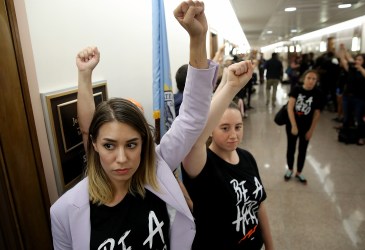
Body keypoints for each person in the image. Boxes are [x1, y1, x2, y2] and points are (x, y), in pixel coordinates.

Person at [50, 1, 219, 249]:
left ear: (144, 142)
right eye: (109, 145)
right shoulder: (64, 211)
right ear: (94, 144)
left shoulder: (157, 165)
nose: (122, 158)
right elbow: (88, 127)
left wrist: (197, 37)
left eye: (131, 144)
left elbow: (192, 115)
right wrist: (84, 75)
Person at [181, 59, 274, 249]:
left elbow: (259, 205)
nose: (234, 135)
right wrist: (229, 86)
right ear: (211, 130)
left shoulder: (247, 157)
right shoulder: (201, 164)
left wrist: (271, 246)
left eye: (238, 127)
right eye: (224, 128)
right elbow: (196, 140)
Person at [284, 70, 322, 183]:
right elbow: (290, 108)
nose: (311, 81)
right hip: (292, 125)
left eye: (313, 79)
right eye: (309, 78)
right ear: (304, 79)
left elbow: (317, 113)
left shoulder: (318, 93)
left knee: (303, 150)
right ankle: (290, 169)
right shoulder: (297, 89)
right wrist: (294, 126)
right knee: (291, 148)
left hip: (306, 127)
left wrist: (311, 131)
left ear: (316, 81)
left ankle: (299, 172)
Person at [338, 44, 365, 145]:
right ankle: (345, 135)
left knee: (358, 117)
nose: (357, 61)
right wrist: (343, 50)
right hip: (347, 97)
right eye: (356, 59)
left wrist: (360, 68)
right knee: (346, 117)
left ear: (364, 62)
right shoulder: (351, 69)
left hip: (359, 98)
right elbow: (345, 59)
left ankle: (360, 137)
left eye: (360, 60)